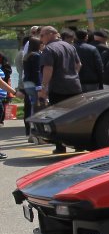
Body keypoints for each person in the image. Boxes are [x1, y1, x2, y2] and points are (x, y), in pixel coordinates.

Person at [37, 24, 84, 153]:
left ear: (51, 34)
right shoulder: (69, 46)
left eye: (42, 35)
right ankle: (79, 144)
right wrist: (73, 75)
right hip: (74, 86)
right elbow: (78, 64)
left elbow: (48, 69)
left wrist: (43, 88)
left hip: (58, 88)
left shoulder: (49, 49)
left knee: (57, 118)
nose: (41, 39)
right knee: (75, 117)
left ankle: (60, 146)